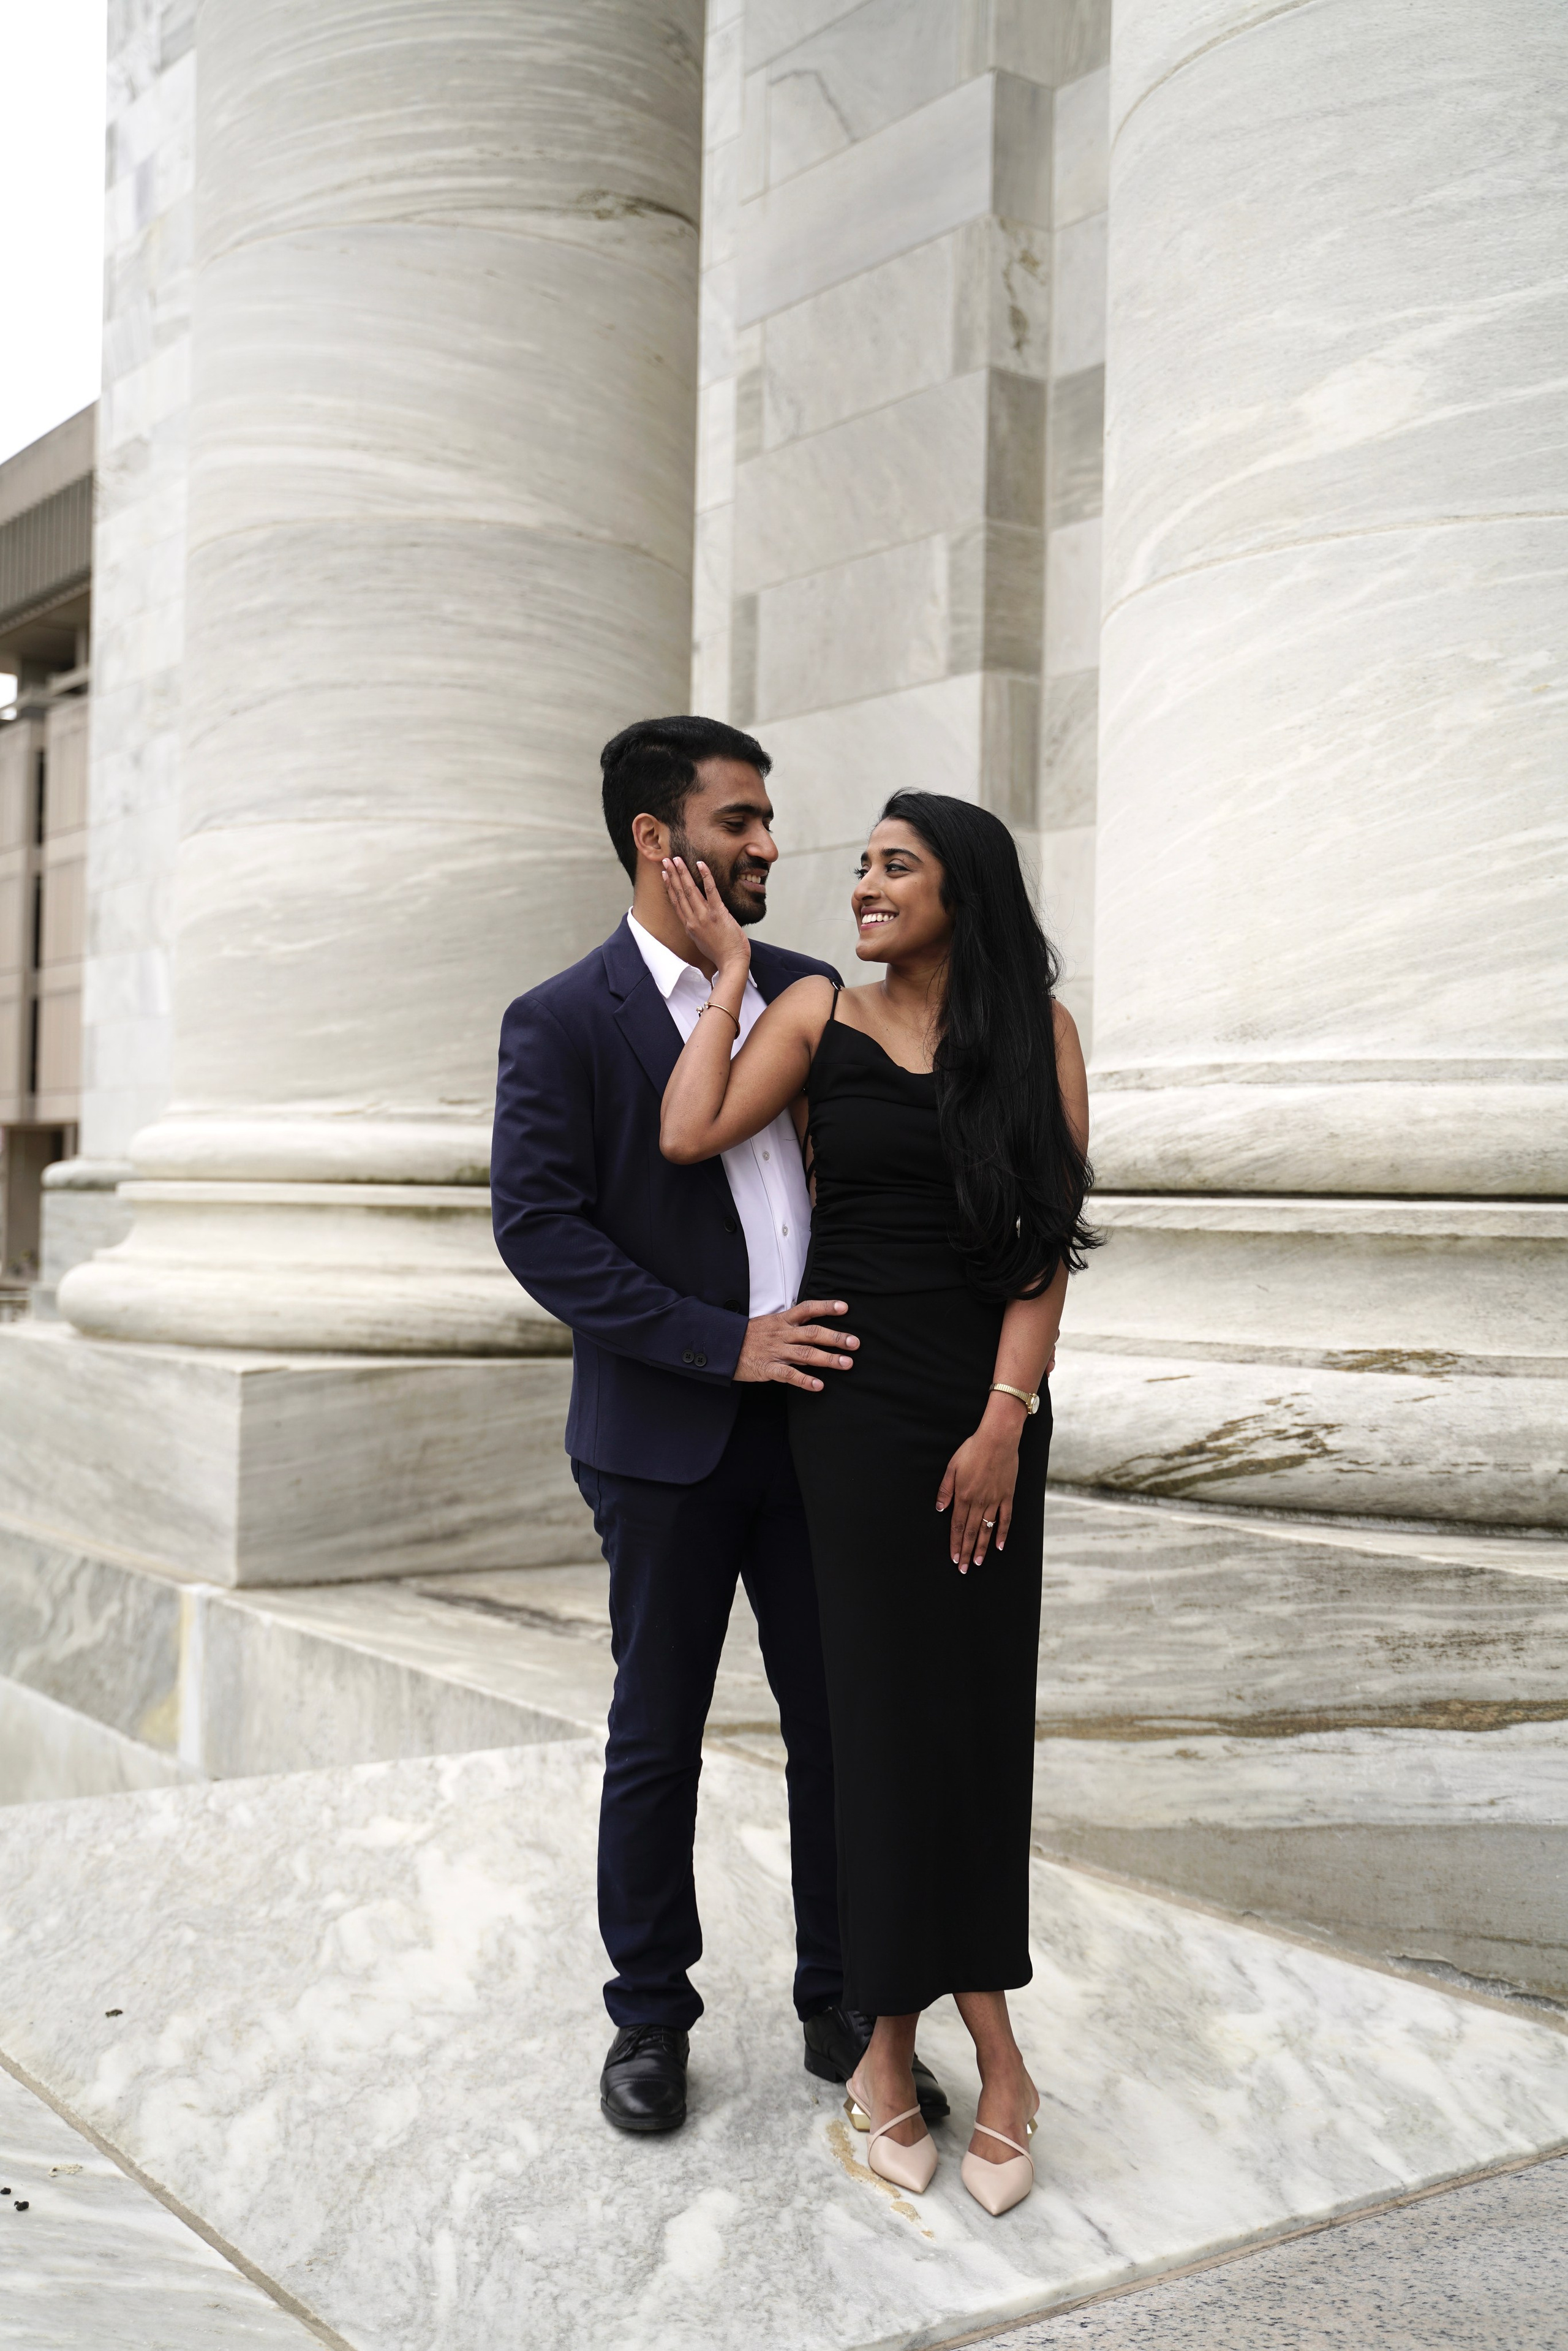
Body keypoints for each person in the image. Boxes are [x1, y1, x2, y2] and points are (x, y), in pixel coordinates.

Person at [491, 717, 948, 2137]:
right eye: (739, 819)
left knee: (841, 1727)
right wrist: (720, 1341)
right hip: (659, 1438)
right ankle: (648, 2014)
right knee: (657, 1734)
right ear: (657, 837)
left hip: (822, 1429)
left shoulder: (812, 992)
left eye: (764, 818)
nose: (767, 843)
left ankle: (842, 2000)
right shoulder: (559, 1018)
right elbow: (541, 1232)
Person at [658, 789, 1093, 2215]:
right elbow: (686, 1129)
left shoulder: (1037, 1035)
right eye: (859, 866)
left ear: (963, 889)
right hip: (849, 1419)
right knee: (878, 1724)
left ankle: (942, 2052)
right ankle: (926, 2049)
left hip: (987, 1415)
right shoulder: (812, 1013)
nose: (861, 885)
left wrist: (1002, 1420)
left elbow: (1042, 1250)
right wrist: (731, 975)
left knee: (972, 1723)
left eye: (892, 866)